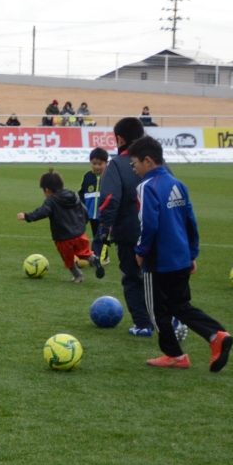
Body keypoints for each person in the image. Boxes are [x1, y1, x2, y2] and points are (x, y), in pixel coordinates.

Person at [130, 137, 233, 371]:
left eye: (134, 163)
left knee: (156, 310)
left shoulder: (147, 187)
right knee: (180, 305)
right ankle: (216, 335)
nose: (134, 168)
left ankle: (174, 355)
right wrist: (192, 254)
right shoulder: (178, 184)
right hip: (180, 257)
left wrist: (141, 252)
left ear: (148, 160)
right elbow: (190, 221)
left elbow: (148, 224)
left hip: (158, 260)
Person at [95, 118, 155, 336]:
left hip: (129, 231)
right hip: (158, 231)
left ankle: (143, 324)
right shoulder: (157, 162)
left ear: (119, 139)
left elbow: (110, 198)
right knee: (156, 277)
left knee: (131, 278)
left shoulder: (117, 164)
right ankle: (166, 320)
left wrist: (104, 227)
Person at [17, 171, 101, 282]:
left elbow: (42, 212)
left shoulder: (51, 201)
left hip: (63, 237)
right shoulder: (72, 195)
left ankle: (78, 276)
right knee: (84, 252)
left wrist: (27, 216)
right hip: (79, 234)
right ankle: (93, 259)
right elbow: (84, 210)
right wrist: (82, 224)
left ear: (47, 190)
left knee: (68, 258)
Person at [79, 149, 107, 240]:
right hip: (91, 214)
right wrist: (83, 208)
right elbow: (82, 193)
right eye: (94, 164)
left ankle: (101, 249)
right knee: (96, 235)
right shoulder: (87, 176)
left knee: (102, 237)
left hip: (104, 214)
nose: (97, 166)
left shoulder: (109, 175)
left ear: (106, 163)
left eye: (100, 164)